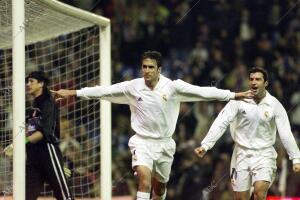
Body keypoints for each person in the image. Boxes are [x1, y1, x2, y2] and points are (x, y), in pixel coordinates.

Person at [51, 51, 252, 200]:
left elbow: (203, 92)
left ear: (159, 69)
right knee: (144, 180)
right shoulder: (133, 86)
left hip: (164, 145)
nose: (146, 71)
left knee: (160, 187)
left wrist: (233, 95)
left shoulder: (173, 87)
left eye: (150, 67)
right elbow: (104, 91)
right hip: (141, 142)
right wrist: (74, 93)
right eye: (144, 66)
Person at [194, 67, 300, 200]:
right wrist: (206, 145)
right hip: (241, 154)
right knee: (241, 198)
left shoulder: (275, 105)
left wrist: (295, 158)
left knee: (259, 193)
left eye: (258, 79)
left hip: (264, 154)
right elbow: (221, 122)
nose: (254, 82)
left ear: (265, 83)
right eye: (251, 79)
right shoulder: (238, 101)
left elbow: (285, 133)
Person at [5, 71, 73, 200]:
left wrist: (20, 144)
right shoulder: (33, 106)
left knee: (64, 196)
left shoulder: (47, 102)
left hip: (47, 151)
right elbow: (30, 130)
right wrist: (15, 144)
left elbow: (44, 132)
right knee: (26, 196)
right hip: (33, 156)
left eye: (31, 81)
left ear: (41, 84)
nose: (28, 84)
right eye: (27, 81)